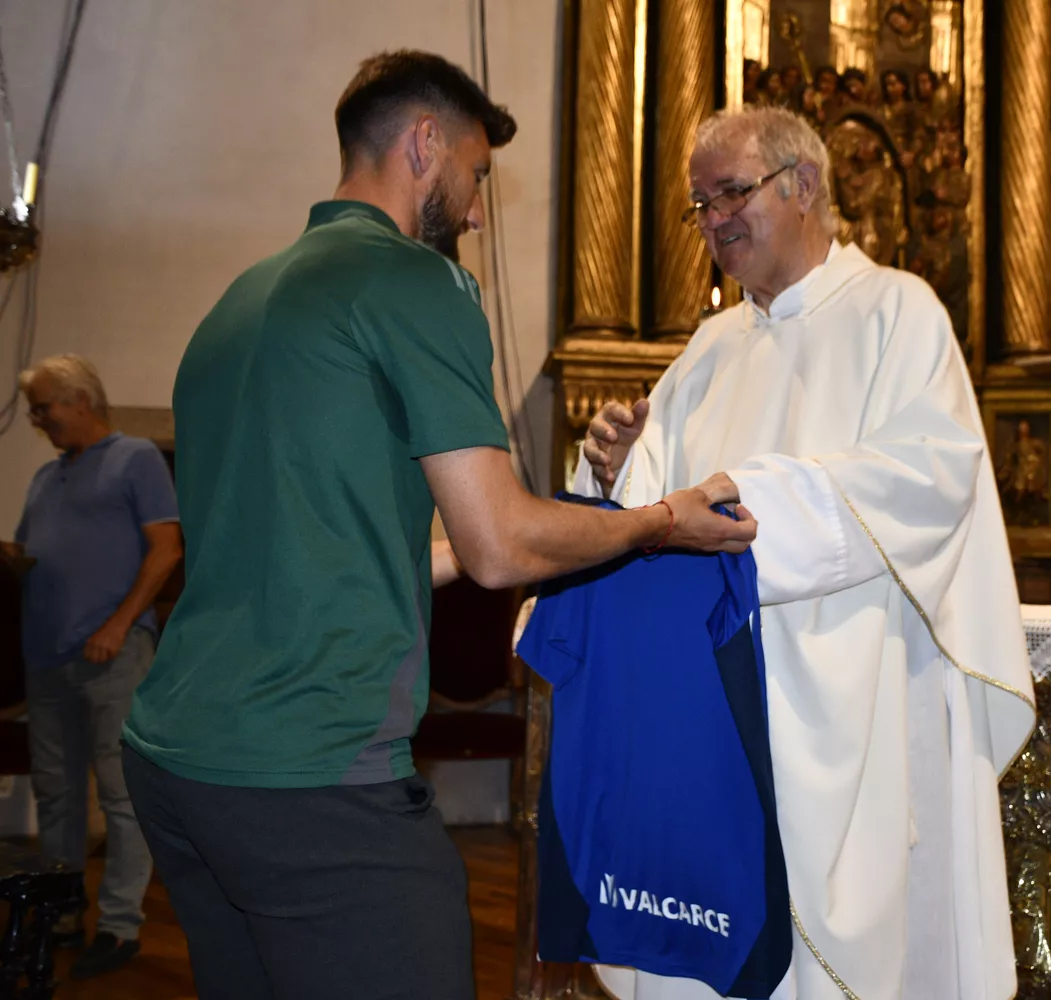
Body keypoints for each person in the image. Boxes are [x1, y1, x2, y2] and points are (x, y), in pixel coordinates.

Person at [119, 50, 754, 1000]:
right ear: (425, 144)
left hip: (174, 761)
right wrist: (662, 521)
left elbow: (291, 548)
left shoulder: (239, 303)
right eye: (477, 177)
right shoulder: (415, 283)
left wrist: (449, 555)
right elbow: (507, 547)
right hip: (307, 770)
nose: (477, 213)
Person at [578, 106, 1036, 1000]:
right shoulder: (710, 348)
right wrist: (617, 471)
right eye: (699, 204)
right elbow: (653, 516)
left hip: (848, 698)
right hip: (715, 709)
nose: (712, 220)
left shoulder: (897, 312)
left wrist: (746, 511)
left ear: (805, 185)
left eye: (730, 193)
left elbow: (929, 478)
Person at [7, 354, 182, 979]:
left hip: (114, 655)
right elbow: (30, 554)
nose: (38, 420)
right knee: (56, 796)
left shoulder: (134, 457)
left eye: (44, 406)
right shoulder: (44, 479)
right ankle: (61, 911)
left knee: (122, 795)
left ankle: (119, 926)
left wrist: (117, 624)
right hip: (47, 658)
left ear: (82, 400)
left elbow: (167, 549)